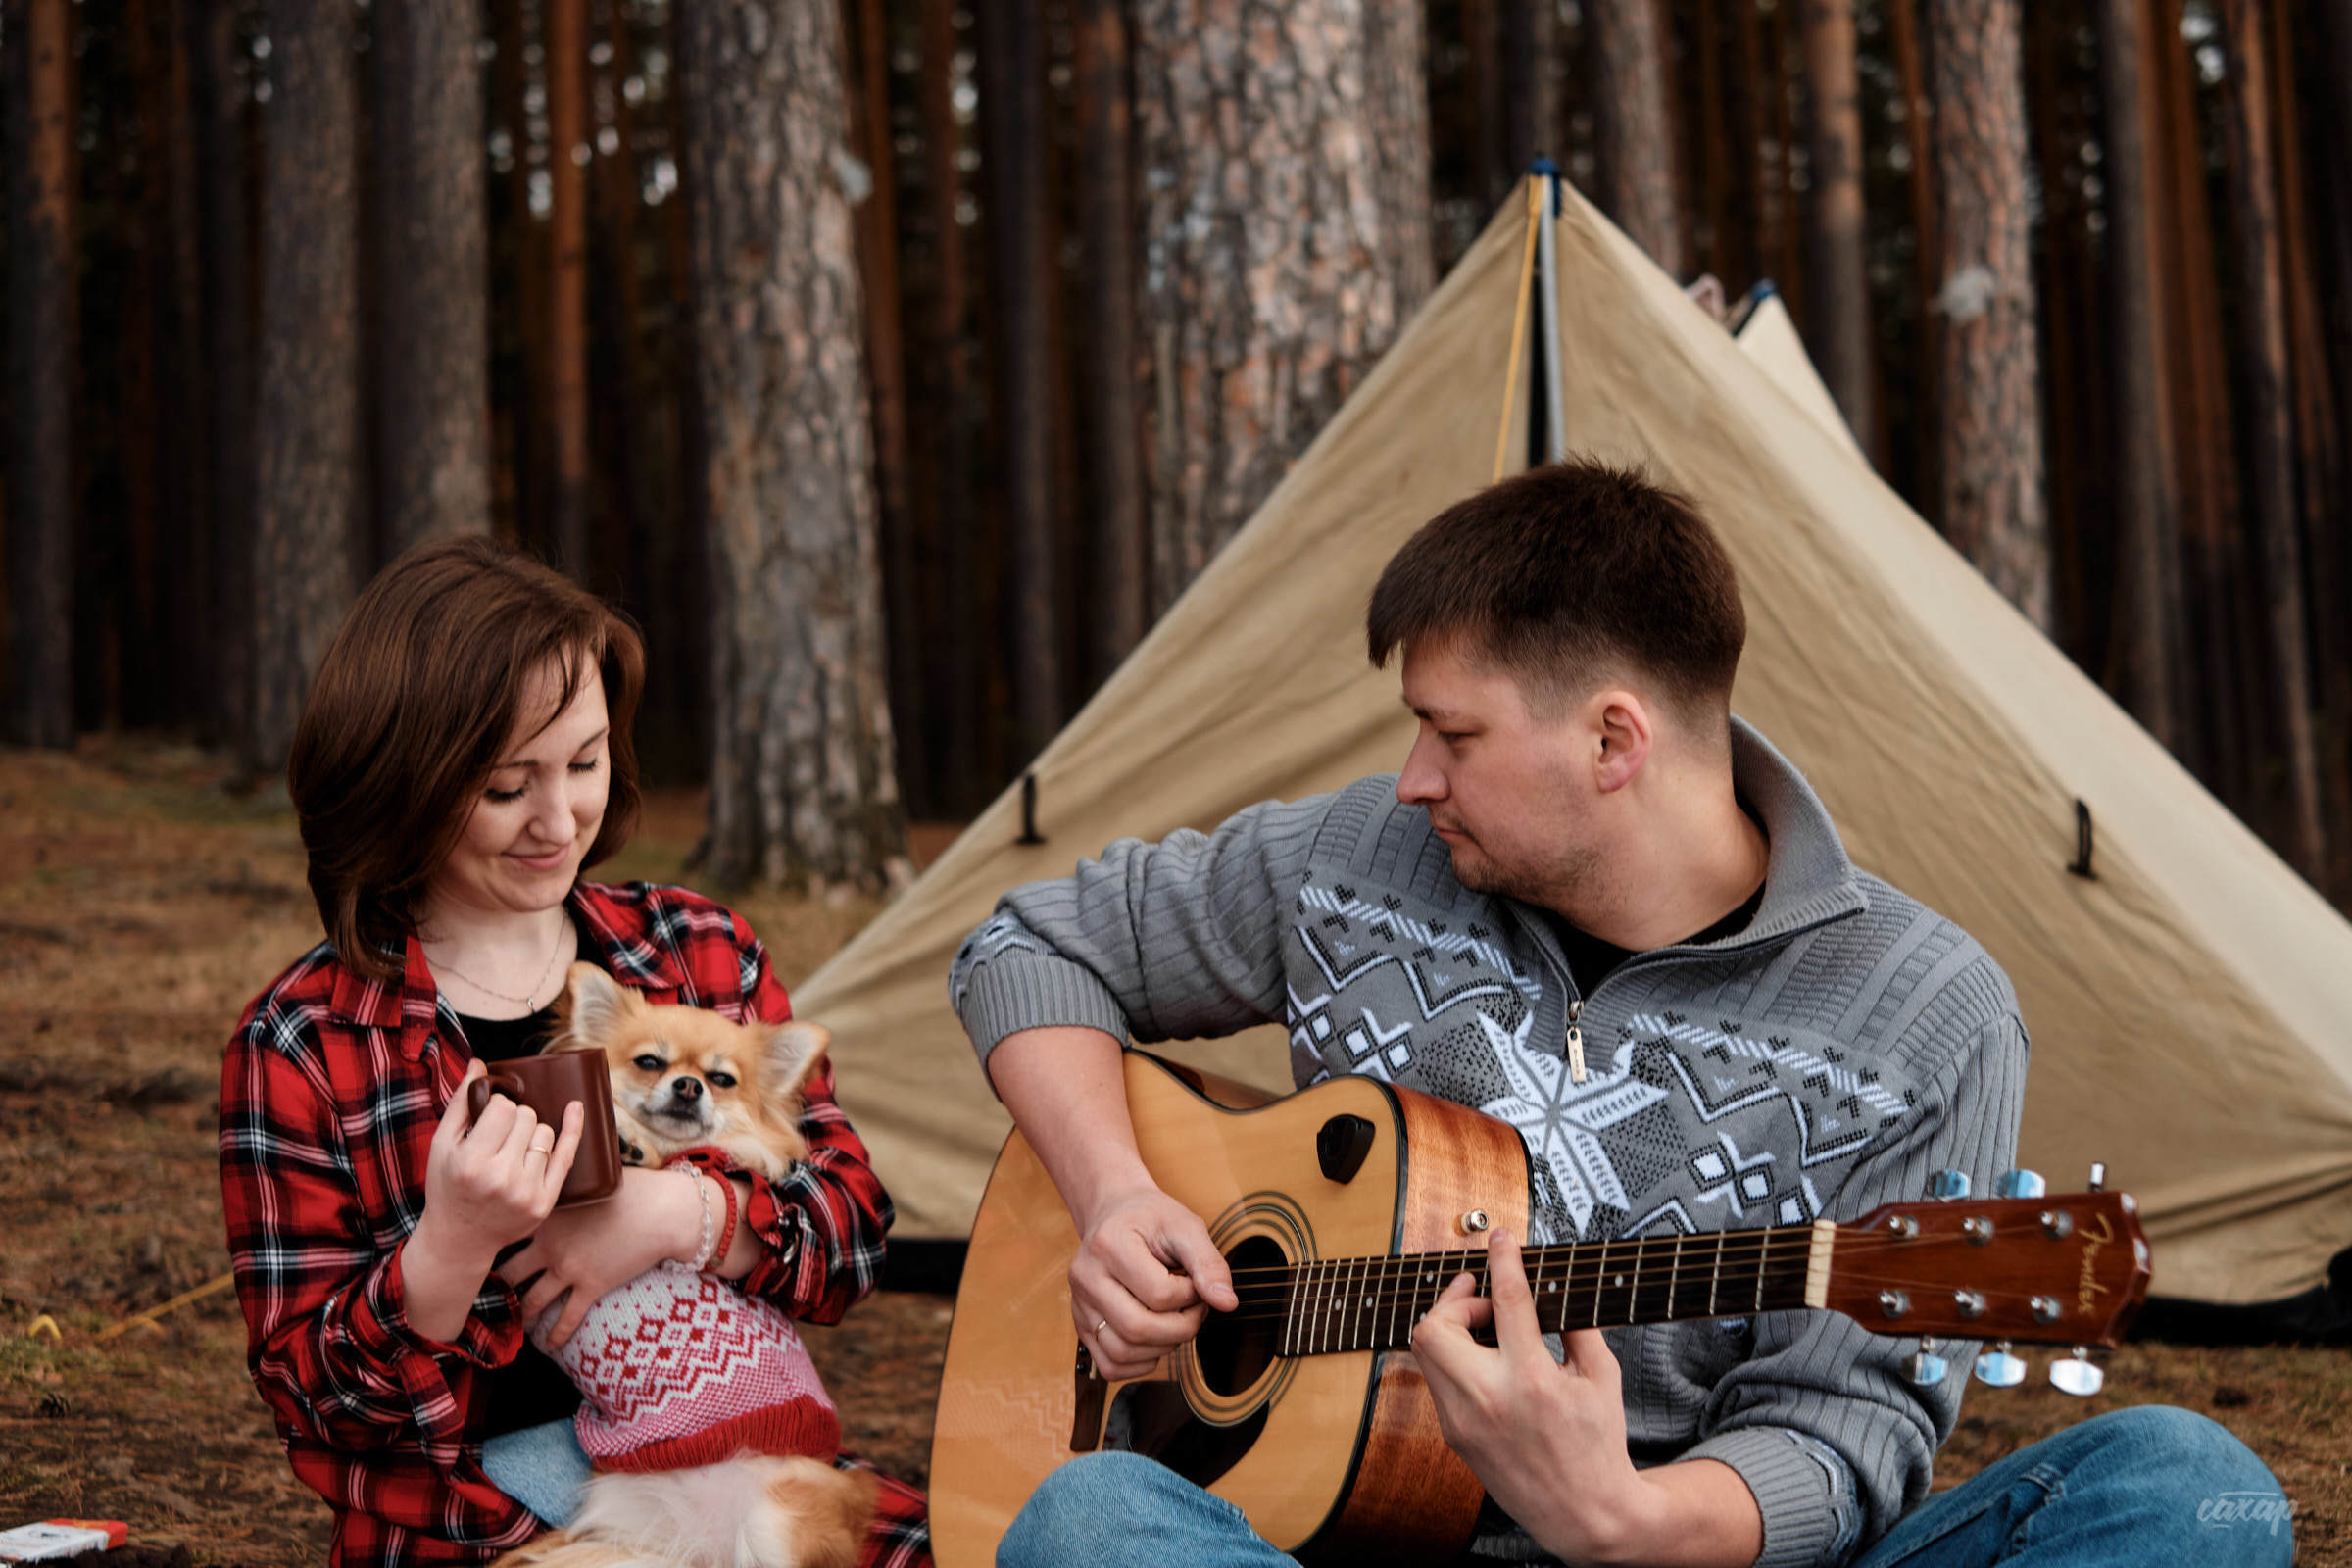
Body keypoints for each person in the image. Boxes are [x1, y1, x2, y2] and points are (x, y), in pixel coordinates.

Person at [948, 462, 2289, 1568]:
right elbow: (1030, 949)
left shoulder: (1929, 1014)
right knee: (1091, 1521)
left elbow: (1846, 1437)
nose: (1411, 779)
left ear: (1613, 741)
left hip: (1684, 1555)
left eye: (1451, 735)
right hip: (1328, 1543)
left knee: (2183, 1489)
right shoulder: (1354, 859)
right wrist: (1115, 1194)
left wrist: (1622, 1518)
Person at [219, 537, 929, 1568]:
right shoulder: (306, 1043)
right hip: (483, 1524)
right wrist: (449, 1249)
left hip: (736, 1486)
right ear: (401, 783)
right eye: (509, 784)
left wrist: (683, 1214)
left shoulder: (698, 953)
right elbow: (321, 1406)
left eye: (586, 762)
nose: (560, 820)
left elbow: (853, 1239)